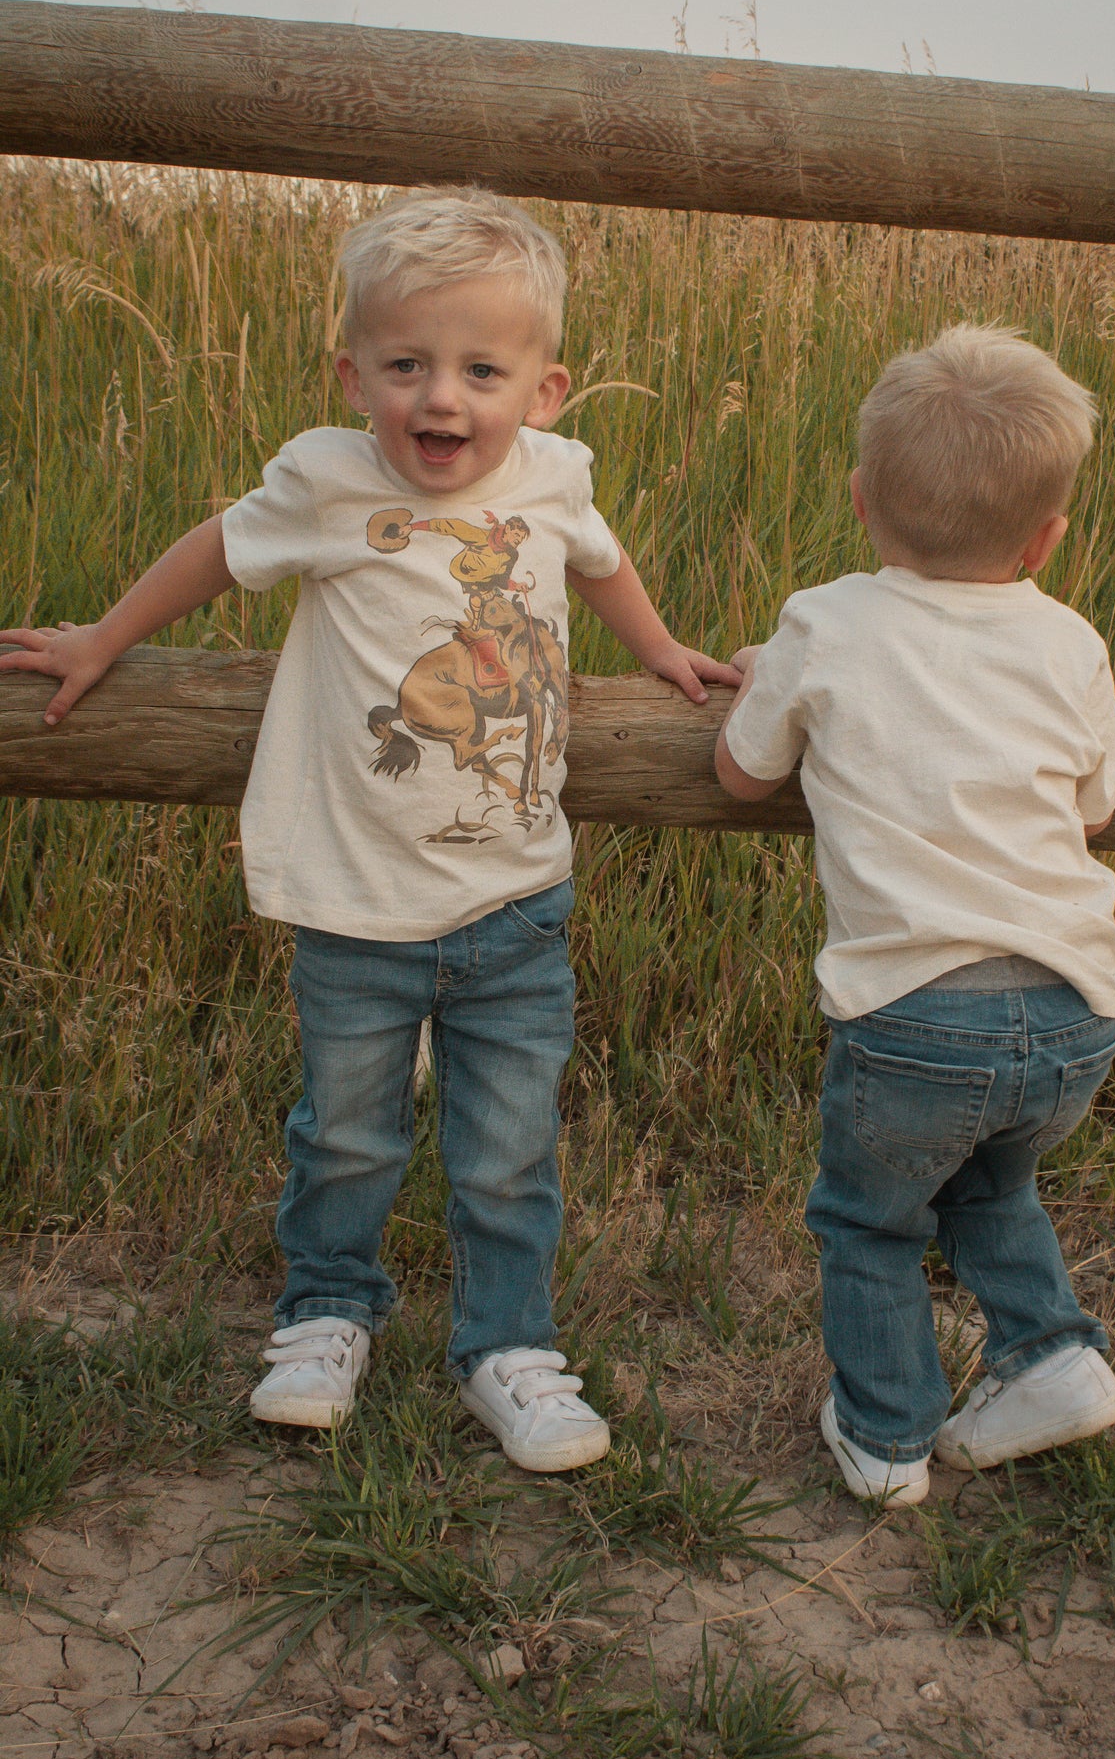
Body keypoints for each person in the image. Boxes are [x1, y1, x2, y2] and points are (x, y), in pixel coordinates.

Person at [0, 189, 738, 1468]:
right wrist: (102, 637)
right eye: (406, 365)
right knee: (344, 1132)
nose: (439, 398)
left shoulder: (555, 478)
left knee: (507, 1151)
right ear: (355, 373)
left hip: (516, 902)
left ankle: (508, 1346)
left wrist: (661, 648)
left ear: (545, 389)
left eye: (479, 370)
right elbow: (213, 554)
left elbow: (603, 563)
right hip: (349, 901)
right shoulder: (327, 479)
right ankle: (325, 1312)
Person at [715, 323, 1115, 1507]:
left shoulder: (823, 621)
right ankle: (1050, 1352)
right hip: (1072, 1011)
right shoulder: (1068, 638)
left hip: (914, 1015)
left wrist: (767, 674)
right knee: (991, 1184)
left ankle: (888, 1435)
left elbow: (743, 773)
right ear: (1046, 536)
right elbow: (1095, 801)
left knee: (866, 1216)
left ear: (860, 499)